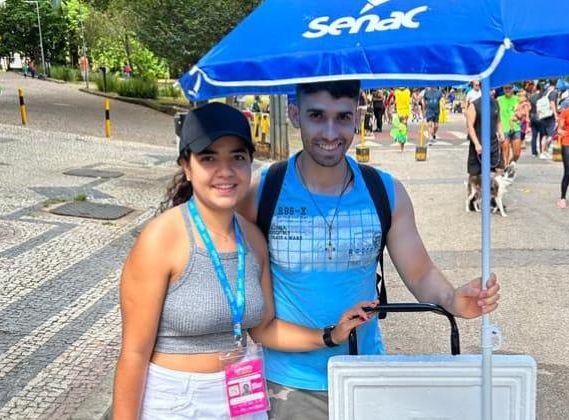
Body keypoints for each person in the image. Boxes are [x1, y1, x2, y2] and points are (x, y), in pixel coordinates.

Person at [238, 81, 501, 420]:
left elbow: (419, 272)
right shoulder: (262, 190)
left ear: (357, 118)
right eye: (316, 115)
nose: (331, 132)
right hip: (288, 383)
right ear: (294, 115)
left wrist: (452, 299)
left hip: (365, 372)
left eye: (343, 117)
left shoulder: (385, 191)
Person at [112, 103, 374, 420]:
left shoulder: (252, 239)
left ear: (250, 162)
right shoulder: (161, 239)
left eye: (237, 157)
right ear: (187, 166)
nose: (225, 171)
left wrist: (330, 335)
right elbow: (134, 354)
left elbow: (264, 329)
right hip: (177, 401)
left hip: (241, 398)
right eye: (209, 158)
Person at [466, 88, 503, 178]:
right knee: (475, 174)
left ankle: (494, 190)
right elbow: (469, 126)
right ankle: (474, 191)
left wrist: (501, 133)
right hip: (479, 142)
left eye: (493, 89)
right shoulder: (474, 105)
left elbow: (498, 120)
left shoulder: (496, 103)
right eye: (490, 89)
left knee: (499, 169)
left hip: (493, 142)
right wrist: (476, 144)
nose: (493, 92)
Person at [497, 85, 521, 167]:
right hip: (504, 128)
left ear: (512, 89)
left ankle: (510, 165)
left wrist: (519, 115)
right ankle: (505, 169)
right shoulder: (499, 99)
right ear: (503, 89)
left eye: (509, 88)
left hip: (516, 127)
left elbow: (521, 114)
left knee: (517, 153)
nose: (508, 90)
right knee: (505, 152)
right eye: (506, 88)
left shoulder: (517, 99)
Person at [539, 79, 560, 159]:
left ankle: (543, 152)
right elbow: (552, 103)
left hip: (543, 115)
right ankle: (546, 149)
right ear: (556, 83)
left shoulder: (545, 92)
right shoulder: (554, 92)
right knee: (552, 134)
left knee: (544, 135)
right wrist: (556, 115)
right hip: (550, 115)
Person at [528, 82, 546, 157]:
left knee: (534, 135)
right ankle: (542, 151)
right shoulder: (543, 97)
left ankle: (534, 152)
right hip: (541, 117)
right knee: (542, 135)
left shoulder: (531, 97)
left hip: (533, 116)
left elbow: (529, 108)